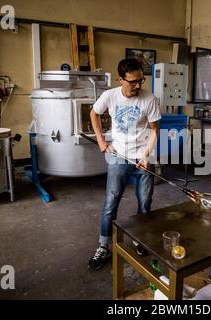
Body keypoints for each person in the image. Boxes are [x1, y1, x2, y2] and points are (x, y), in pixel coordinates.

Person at [87, 58, 161, 271]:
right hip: (119, 155)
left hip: (143, 157)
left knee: (145, 201)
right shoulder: (109, 96)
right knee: (111, 202)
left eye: (141, 80)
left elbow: (154, 130)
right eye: (133, 82)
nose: (138, 85)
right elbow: (94, 113)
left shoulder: (150, 99)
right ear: (121, 79)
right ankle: (104, 246)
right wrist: (101, 141)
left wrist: (147, 156)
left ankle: (139, 238)